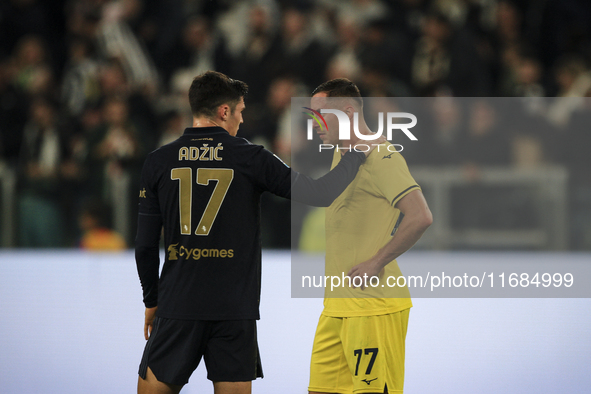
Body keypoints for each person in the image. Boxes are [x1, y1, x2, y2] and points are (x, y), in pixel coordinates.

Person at [135, 71, 377, 394]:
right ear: (224, 112)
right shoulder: (251, 157)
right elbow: (320, 193)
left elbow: (145, 246)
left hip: (178, 304)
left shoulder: (157, 162)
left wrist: (152, 300)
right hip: (234, 310)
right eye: (240, 112)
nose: (241, 120)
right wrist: (357, 154)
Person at [307, 79, 433, 394]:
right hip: (337, 306)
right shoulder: (345, 154)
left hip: (371, 308)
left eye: (321, 115)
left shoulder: (382, 156)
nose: (314, 124)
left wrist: (377, 262)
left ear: (348, 112)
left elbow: (420, 216)